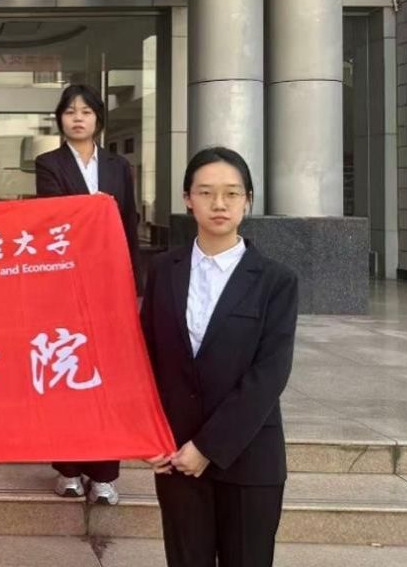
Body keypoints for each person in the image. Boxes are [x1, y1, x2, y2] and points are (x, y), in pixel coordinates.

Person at [141, 147, 298, 567]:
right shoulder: (163, 271)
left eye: (232, 193)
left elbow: (269, 374)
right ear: (187, 199)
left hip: (248, 458)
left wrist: (208, 447)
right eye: (206, 192)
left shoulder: (275, 280)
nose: (219, 203)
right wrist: (148, 434)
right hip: (177, 458)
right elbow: (145, 358)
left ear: (248, 200)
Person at [35, 83, 139, 506]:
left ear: (98, 118)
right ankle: (68, 469)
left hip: (109, 283)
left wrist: (131, 282)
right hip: (64, 283)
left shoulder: (119, 165)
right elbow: (52, 218)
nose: (78, 118)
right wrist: (95, 207)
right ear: (60, 119)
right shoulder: (48, 163)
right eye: (70, 111)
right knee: (66, 371)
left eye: (86, 111)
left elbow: (128, 221)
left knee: (106, 377)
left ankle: (105, 474)